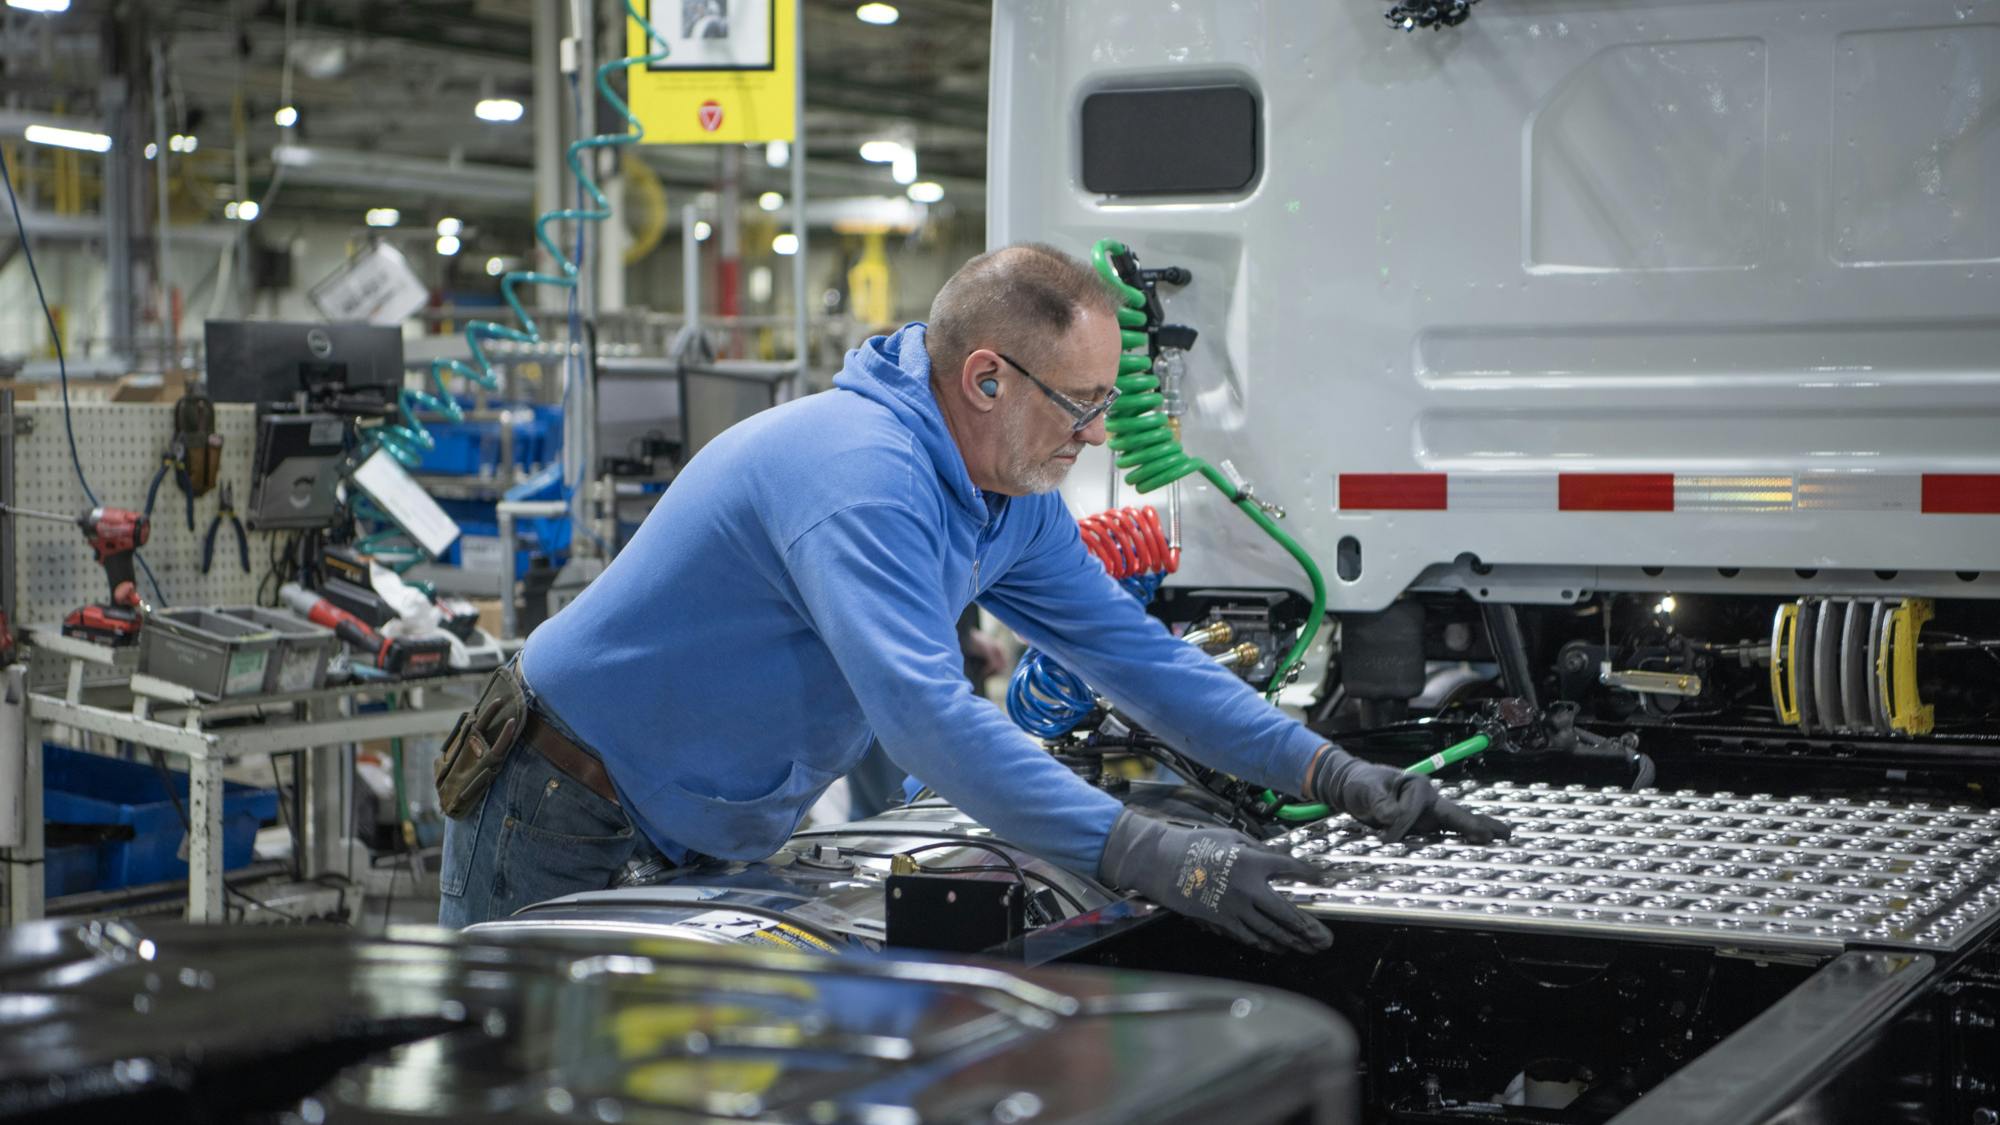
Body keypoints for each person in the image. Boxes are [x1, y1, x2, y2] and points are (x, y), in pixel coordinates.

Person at [436, 243, 1510, 952]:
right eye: (1081, 403)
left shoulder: (1006, 496)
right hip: (561, 800)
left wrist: (1332, 773)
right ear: (987, 378)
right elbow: (927, 719)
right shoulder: (859, 472)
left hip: (700, 822)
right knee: (517, 1077)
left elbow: (1133, 656)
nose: (1099, 433)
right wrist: (1147, 853)